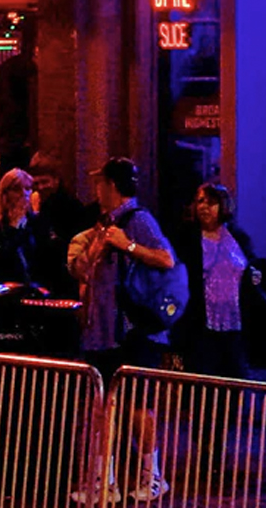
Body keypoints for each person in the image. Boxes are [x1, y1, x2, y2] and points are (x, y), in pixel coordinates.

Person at [71, 157, 177, 505]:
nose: (96, 188)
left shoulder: (137, 220)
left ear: (113, 186)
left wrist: (127, 245)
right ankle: (106, 482)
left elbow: (166, 259)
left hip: (129, 331)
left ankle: (152, 477)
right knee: (106, 406)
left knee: (135, 407)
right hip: (105, 331)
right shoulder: (107, 223)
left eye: (101, 182)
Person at [182, 182, 266, 380]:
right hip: (201, 326)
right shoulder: (188, 239)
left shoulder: (238, 238)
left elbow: (251, 269)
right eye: (200, 201)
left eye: (210, 202)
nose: (203, 207)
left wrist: (255, 277)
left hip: (235, 324)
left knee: (235, 380)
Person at [28, 153, 97, 296]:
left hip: (61, 284)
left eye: (45, 182)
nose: (40, 187)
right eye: (36, 183)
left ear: (56, 180)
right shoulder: (38, 206)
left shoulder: (69, 207)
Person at [0, 167, 47, 291]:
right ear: (5, 194)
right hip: (5, 291)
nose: (24, 194)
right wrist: (15, 228)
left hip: (35, 290)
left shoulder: (37, 221)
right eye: (17, 189)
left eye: (27, 189)